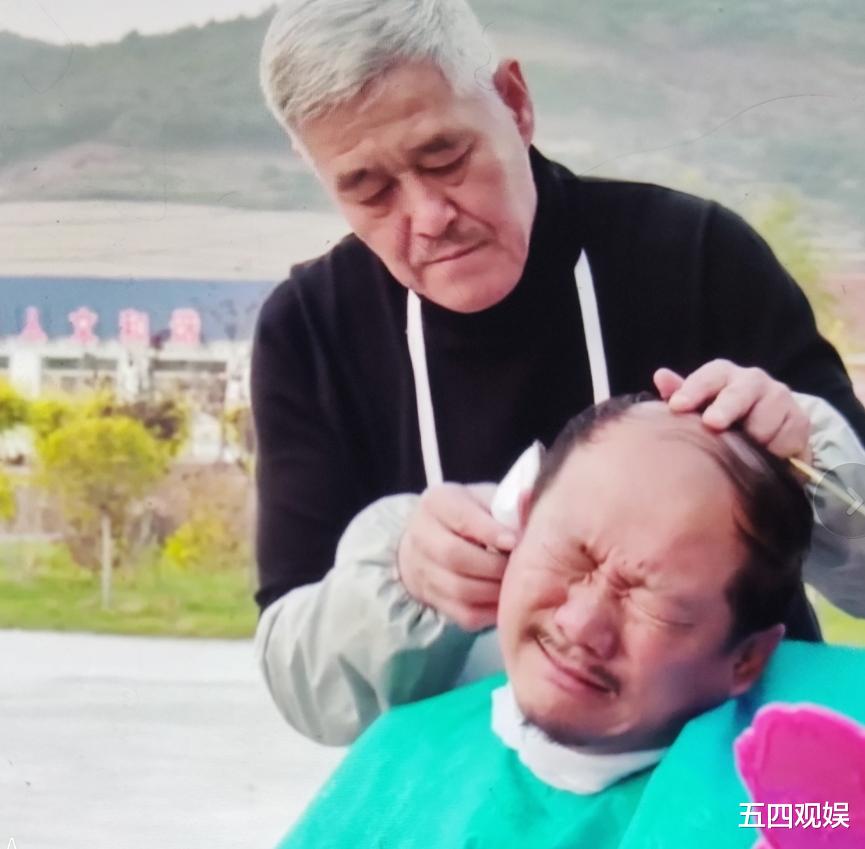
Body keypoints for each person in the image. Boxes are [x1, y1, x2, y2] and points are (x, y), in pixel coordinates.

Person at [252, 0, 865, 744]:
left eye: (445, 158)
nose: (429, 216)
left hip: (736, 773)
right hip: (470, 786)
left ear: (513, 102)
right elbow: (301, 687)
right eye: (368, 189)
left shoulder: (696, 254)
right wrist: (402, 581)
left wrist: (809, 459)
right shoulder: (309, 330)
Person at [275, 398, 865, 848]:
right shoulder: (402, 762)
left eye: (653, 603)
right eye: (570, 556)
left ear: (747, 659)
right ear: (524, 520)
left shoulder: (783, 803)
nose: (581, 624)